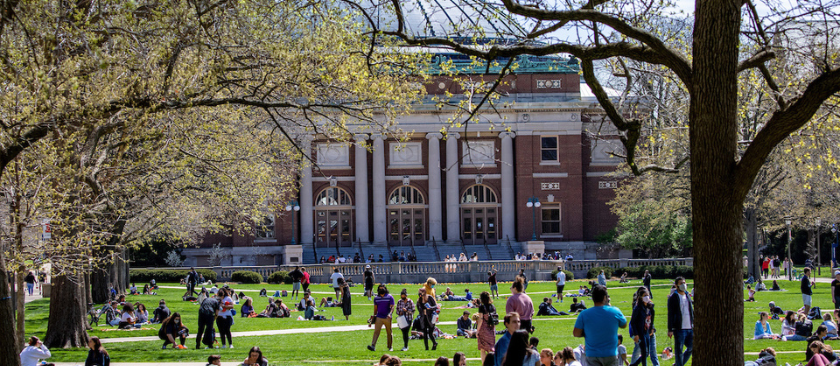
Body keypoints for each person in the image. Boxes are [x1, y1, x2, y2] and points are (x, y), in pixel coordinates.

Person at [573, 284, 628, 366]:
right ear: (605, 298)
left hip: (592, 355)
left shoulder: (584, 314)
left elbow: (576, 333)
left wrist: (588, 333)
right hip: (611, 354)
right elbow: (624, 324)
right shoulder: (615, 311)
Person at [668, 276, 693, 366]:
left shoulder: (687, 296)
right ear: (676, 285)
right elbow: (670, 314)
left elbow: (691, 310)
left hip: (690, 327)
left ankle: (678, 365)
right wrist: (670, 329)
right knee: (679, 351)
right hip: (679, 328)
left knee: (691, 347)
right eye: (681, 283)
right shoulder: (673, 297)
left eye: (684, 283)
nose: (683, 285)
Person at [628, 287, 654, 366]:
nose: (647, 297)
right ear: (641, 297)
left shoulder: (649, 307)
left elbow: (651, 318)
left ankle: (633, 365)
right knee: (644, 351)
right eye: (645, 295)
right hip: (640, 333)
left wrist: (652, 328)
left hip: (647, 332)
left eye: (648, 295)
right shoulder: (638, 308)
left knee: (646, 353)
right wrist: (636, 334)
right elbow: (633, 322)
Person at [368, 285, 396, 352]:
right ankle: (373, 345)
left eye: (382, 289)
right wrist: (373, 317)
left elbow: (392, 307)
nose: (381, 290)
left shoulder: (389, 297)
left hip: (387, 317)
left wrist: (390, 314)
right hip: (379, 317)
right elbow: (375, 308)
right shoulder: (376, 298)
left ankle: (390, 347)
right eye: (380, 289)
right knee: (376, 332)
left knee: (389, 332)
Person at [477, 291, 498, 363]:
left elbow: (481, 319)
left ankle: (484, 364)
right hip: (492, 329)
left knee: (483, 349)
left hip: (484, 329)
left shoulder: (482, 307)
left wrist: (477, 331)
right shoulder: (493, 307)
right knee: (491, 349)